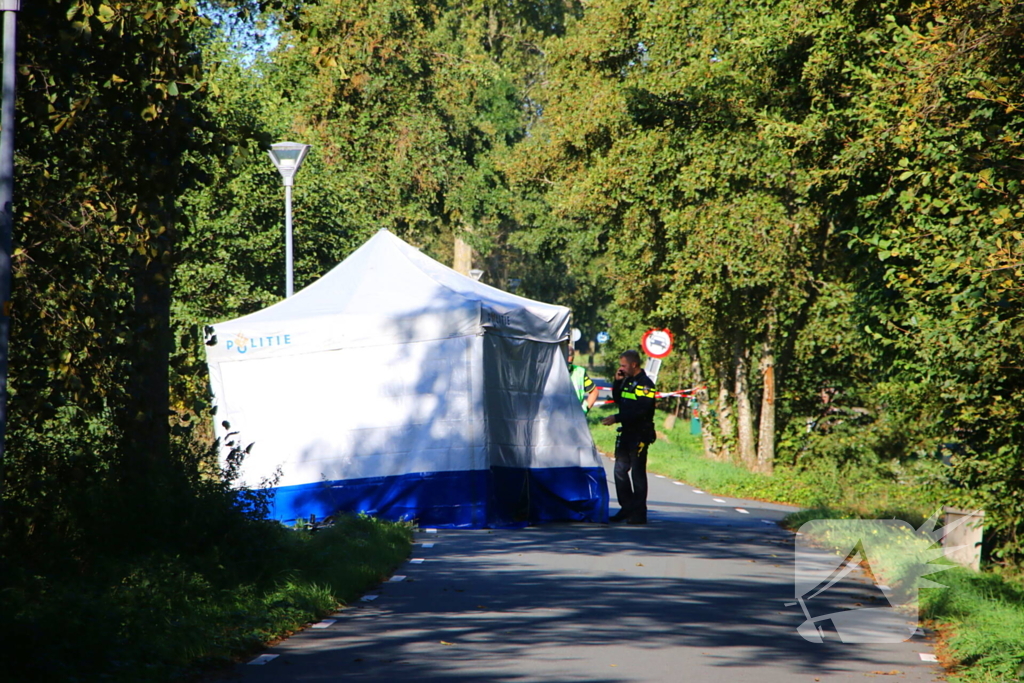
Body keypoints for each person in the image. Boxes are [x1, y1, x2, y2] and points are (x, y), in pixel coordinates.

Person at [601, 349, 656, 524]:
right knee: (619, 471)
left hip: (640, 434)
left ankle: (639, 513)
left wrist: (616, 418)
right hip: (626, 433)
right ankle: (627, 508)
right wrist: (617, 382)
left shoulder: (646, 385)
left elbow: (641, 410)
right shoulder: (628, 381)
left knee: (638, 474)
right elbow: (618, 399)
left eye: (624, 365)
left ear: (634, 364)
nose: (621, 368)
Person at [568, 346, 600, 413]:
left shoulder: (579, 372)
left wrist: (585, 409)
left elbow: (594, 392)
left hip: (576, 416)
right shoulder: (550, 371)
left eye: (570, 355)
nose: (568, 359)